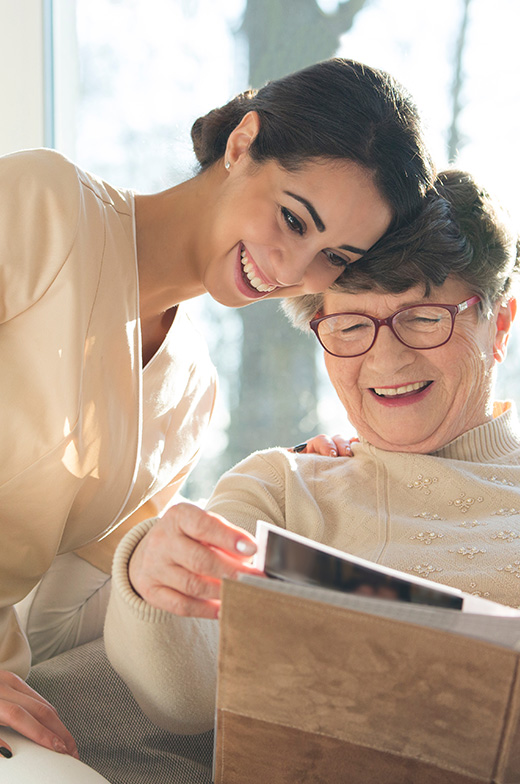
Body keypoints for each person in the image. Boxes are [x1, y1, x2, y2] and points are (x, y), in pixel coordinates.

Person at [0, 57, 434, 759]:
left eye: (332, 259)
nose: (293, 273)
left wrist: (285, 519)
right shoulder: (42, 206)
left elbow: (59, 628)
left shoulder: (191, 394)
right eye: (294, 219)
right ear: (242, 145)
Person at [103, 168, 520, 744]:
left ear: (498, 324)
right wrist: (151, 577)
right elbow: (187, 701)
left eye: (423, 319)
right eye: (350, 326)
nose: (386, 362)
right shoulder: (280, 486)